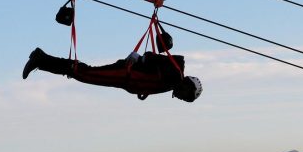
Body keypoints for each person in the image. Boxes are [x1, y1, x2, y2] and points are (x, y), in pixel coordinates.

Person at [22, 47, 202, 102]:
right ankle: (41, 58)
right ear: (187, 85)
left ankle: (42, 60)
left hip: (125, 78)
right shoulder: (174, 75)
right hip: (124, 74)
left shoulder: (171, 81)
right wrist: (137, 60)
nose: (181, 98)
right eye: (186, 96)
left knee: (84, 73)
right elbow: (150, 59)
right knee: (84, 73)